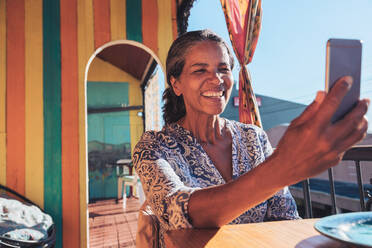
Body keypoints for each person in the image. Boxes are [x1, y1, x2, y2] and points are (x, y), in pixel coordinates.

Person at [133, 29, 369, 247]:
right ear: (176, 84)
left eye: (223, 69)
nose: (216, 79)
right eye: (200, 70)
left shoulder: (252, 137)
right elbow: (178, 212)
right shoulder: (154, 145)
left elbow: (284, 217)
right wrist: (283, 167)